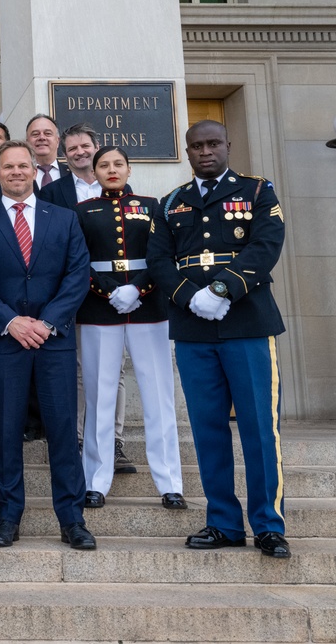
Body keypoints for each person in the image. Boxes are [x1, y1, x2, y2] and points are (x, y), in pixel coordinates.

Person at [147, 119, 289, 558]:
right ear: (187, 152)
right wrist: (191, 298)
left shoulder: (258, 191)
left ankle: (267, 523)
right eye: (196, 146)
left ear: (228, 145)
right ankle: (223, 522)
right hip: (194, 331)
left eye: (213, 143)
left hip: (247, 324)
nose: (205, 151)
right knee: (208, 431)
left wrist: (224, 289)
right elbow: (159, 259)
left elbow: (266, 246)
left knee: (259, 430)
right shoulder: (171, 203)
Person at [0, 140, 94, 550]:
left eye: (24, 165)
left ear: (35, 172)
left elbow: (78, 274)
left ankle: (72, 520)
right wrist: (11, 322)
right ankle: (7, 516)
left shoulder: (65, 220)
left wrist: (47, 322)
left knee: (62, 433)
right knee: (4, 433)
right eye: (8, 167)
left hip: (53, 341)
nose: (17, 172)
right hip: (5, 342)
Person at [74, 146, 185, 510]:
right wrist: (109, 291)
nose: (111, 170)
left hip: (148, 306)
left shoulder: (153, 206)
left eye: (117, 164)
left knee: (158, 396)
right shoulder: (81, 211)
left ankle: (170, 483)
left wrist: (137, 288)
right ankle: (96, 480)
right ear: (94, 172)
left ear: (129, 168)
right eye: (103, 165)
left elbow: (163, 255)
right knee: (99, 397)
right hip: (99, 308)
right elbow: (77, 260)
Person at [41, 123, 136, 473]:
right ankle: (81, 439)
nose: (79, 152)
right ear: (63, 156)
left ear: (96, 147)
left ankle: (115, 441)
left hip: (114, 293)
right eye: (72, 149)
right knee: (80, 369)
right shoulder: (52, 192)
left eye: (85, 146)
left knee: (116, 368)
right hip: (73, 291)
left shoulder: (121, 186)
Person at [26, 114, 63, 188]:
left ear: (58, 141)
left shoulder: (72, 173)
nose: (42, 137)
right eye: (35, 134)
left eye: (48, 133)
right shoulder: (20, 174)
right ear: (27, 142)